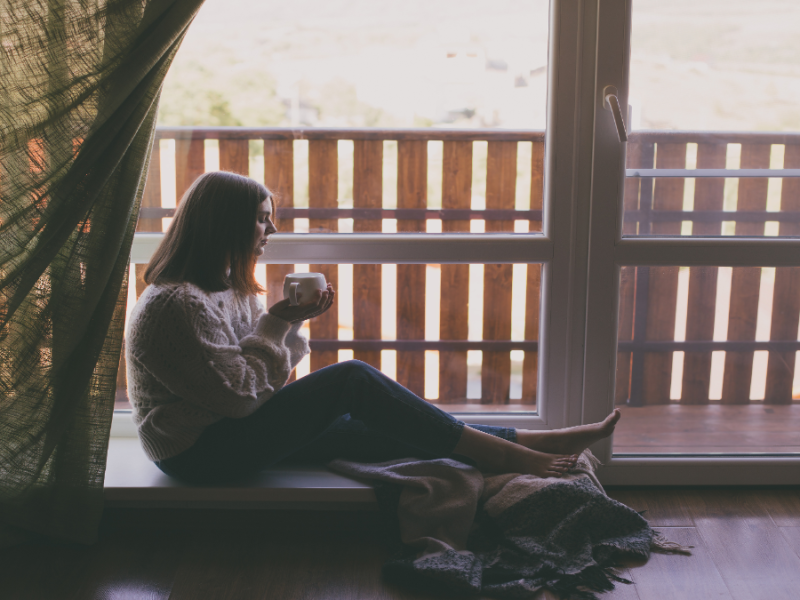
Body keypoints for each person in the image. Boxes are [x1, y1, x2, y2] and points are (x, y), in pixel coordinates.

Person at [126, 171, 621, 484]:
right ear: (226, 226)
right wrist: (277, 323)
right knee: (351, 378)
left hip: (233, 429)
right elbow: (238, 397)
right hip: (199, 453)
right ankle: (508, 456)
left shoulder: (224, 289)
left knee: (371, 420)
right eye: (261, 221)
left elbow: (261, 380)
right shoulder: (176, 305)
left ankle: (533, 441)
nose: (271, 232)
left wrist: (289, 327)